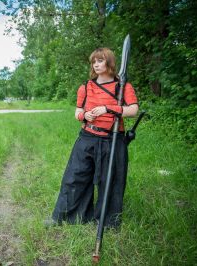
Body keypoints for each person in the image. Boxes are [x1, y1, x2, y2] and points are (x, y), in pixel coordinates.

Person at [46, 47, 139, 228]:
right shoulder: (86, 87)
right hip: (87, 137)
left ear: (109, 63)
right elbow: (78, 111)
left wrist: (108, 108)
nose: (96, 64)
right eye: (94, 62)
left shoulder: (123, 86)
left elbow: (133, 110)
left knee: (110, 181)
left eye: (100, 60)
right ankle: (66, 217)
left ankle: (107, 222)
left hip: (112, 139)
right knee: (74, 177)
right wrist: (84, 115)